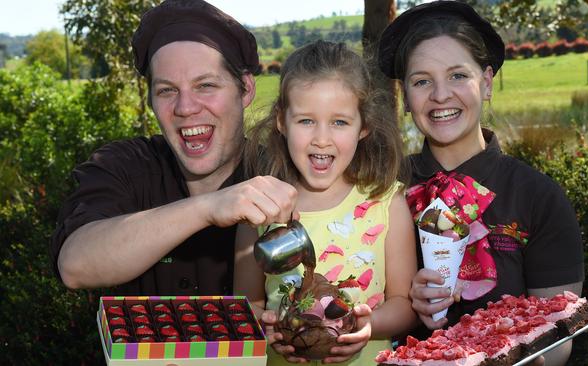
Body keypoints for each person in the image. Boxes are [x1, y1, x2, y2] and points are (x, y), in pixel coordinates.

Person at [377, 1, 584, 365]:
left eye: (458, 75)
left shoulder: (539, 197)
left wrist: (516, 352)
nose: (441, 95)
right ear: (406, 98)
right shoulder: (380, 190)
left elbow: (560, 336)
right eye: (422, 81)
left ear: (486, 83)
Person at [49, 0, 298, 296]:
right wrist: (208, 208)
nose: (185, 107)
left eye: (205, 85)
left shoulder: (283, 170)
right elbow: (75, 265)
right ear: (151, 101)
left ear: (245, 89)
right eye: (167, 90)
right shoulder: (125, 165)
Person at [234, 40, 418, 365]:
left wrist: (367, 326)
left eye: (339, 122)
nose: (322, 138)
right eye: (306, 121)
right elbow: (247, 305)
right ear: (281, 122)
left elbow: (403, 303)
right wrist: (268, 329)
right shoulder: (259, 209)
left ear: (364, 126)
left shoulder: (387, 203)